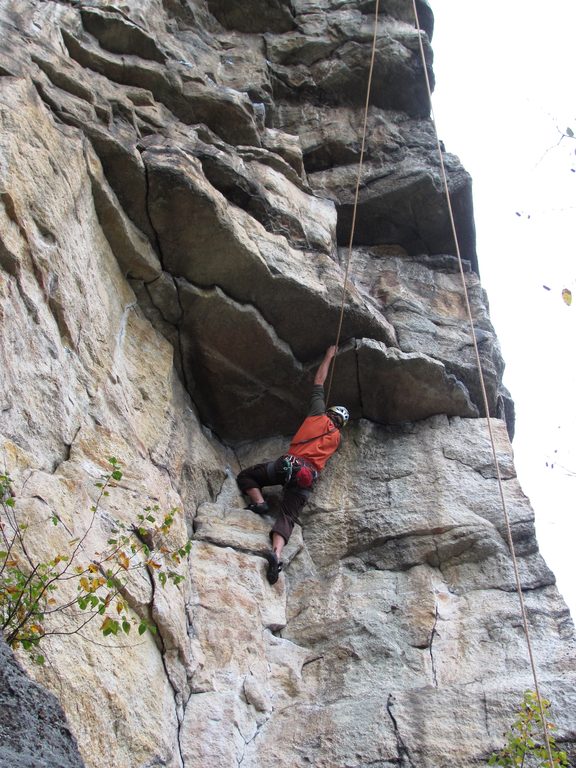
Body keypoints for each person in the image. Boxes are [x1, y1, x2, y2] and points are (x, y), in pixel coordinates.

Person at [236, 346, 349, 584]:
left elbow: (319, 380)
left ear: (328, 411)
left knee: (247, 476)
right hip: (308, 478)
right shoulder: (337, 439)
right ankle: (276, 555)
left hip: (289, 465)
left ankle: (259, 503)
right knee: (287, 516)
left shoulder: (318, 414)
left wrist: (328, 356)